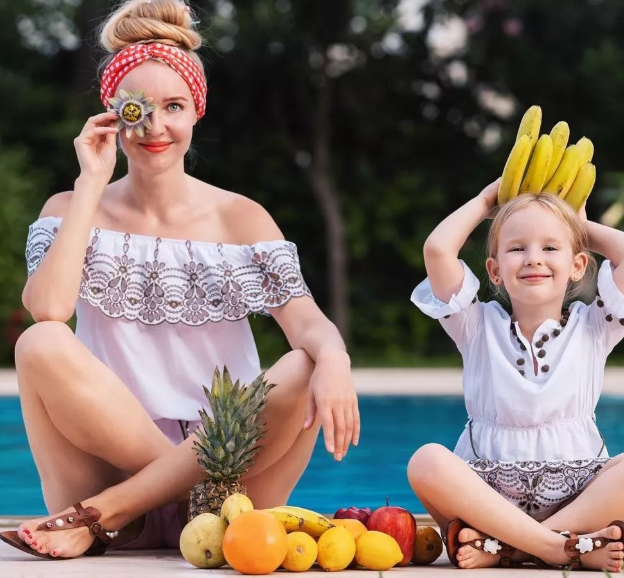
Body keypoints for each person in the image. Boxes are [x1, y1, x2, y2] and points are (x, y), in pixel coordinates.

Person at [0, 0, 359, 560]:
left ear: (197, 112)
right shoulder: (70, 206)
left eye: (175, 106)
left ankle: (110, 512)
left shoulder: (241, 217)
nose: (157, 127)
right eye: (140, 108)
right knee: (39, 341)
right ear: (113, 110)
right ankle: (162, 501)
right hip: (115, 463)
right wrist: (91, 184)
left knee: (308, 360)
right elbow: (47, 308)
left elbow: (309, 325)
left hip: (231, 464)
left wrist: (335, 361)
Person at [407, 180, 624, 572]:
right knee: (425, 461)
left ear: (577, 265)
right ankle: (564, 549)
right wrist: (484, 201)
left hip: (579, 498)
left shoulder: (596, 325)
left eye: (551, 247)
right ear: (494, 271)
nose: (534, 258)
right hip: (488, 498)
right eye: (517, 248)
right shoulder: (475, 325)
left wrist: (577, 226)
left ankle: (511, 549)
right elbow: (437, 249)